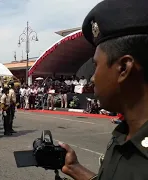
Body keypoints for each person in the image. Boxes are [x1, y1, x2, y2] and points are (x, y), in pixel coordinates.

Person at [60, 0, 148, 179]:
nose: (92, 78)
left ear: (123, 68)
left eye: (96, 65)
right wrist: (75, 169)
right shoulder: (125, 134)